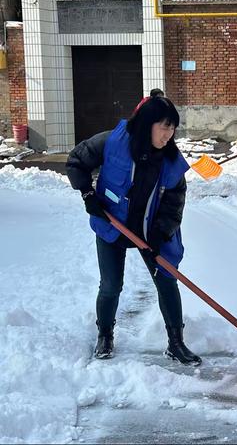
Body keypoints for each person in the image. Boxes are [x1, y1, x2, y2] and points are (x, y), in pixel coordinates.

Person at [66, 96, 201, 366]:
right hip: (112, 224)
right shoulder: (112, 142)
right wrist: (87, 193)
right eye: (164, 127)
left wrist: (161, 234)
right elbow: (76, 160)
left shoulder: (172, 161)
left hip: (149, 231)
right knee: (111, 285)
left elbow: (175, 204)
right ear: (147, 124)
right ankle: (105, 334)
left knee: (166, 280)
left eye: (173, 128)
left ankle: (176, 343)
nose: (169, 134)